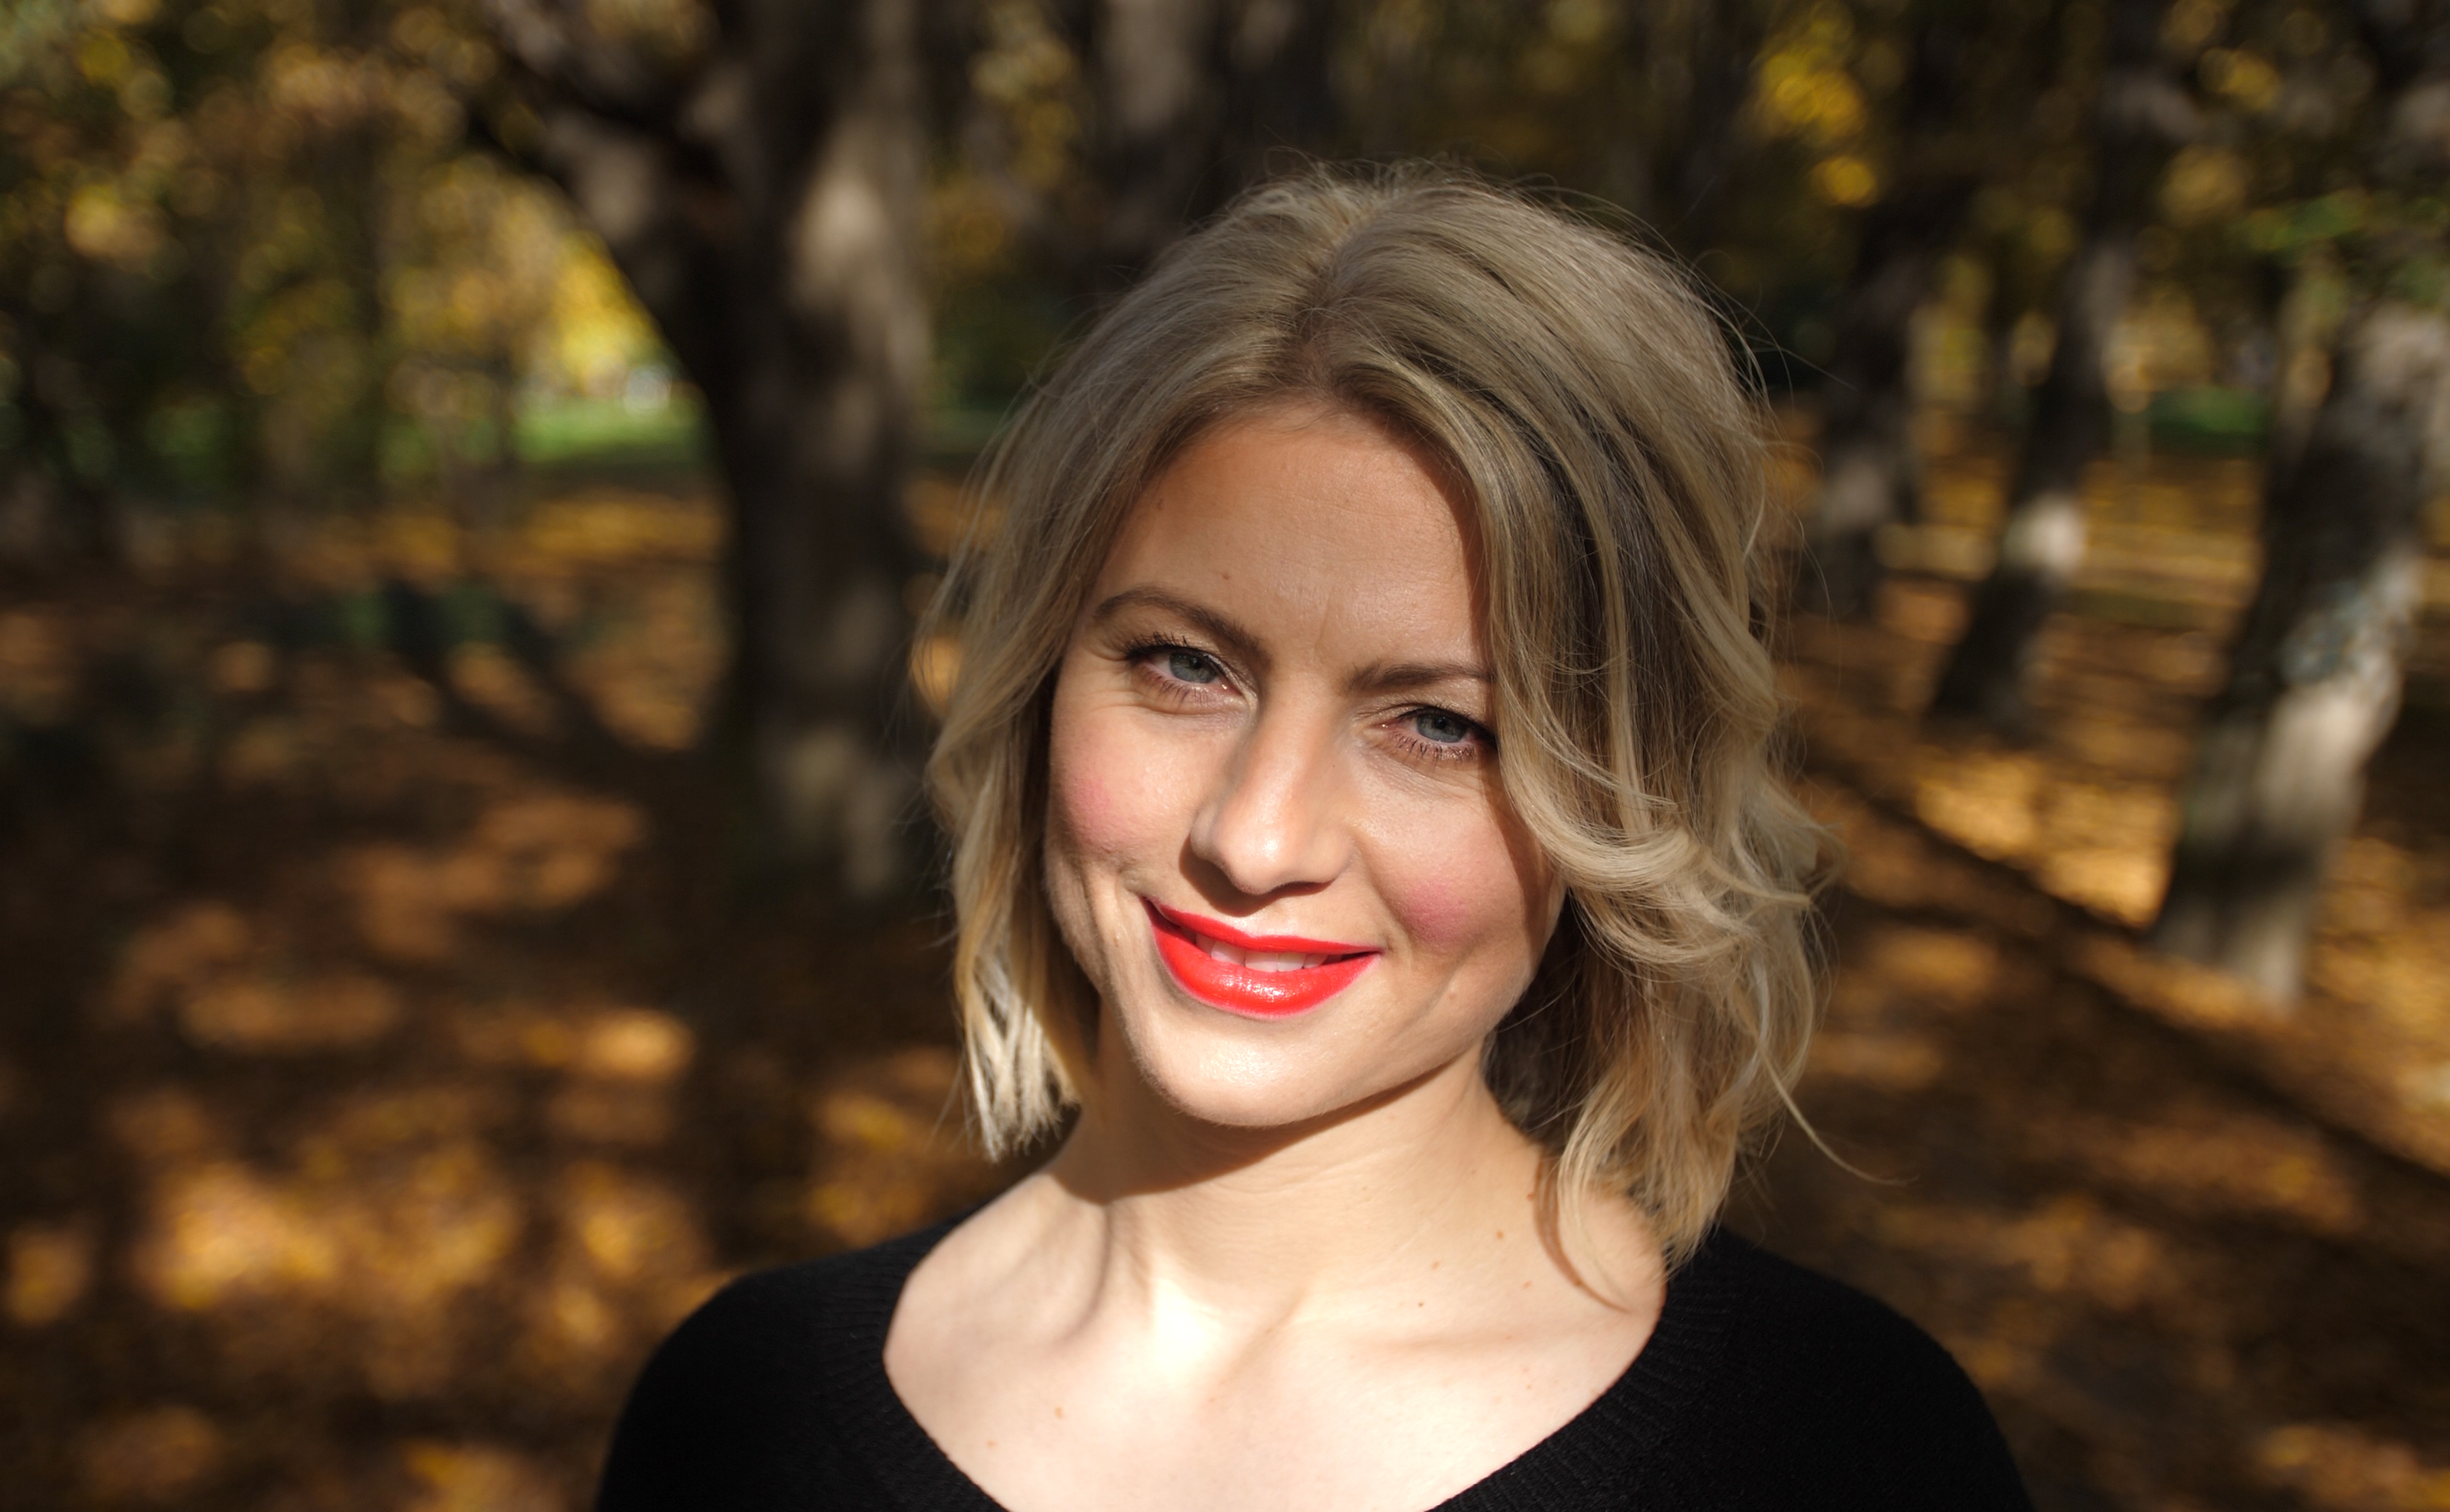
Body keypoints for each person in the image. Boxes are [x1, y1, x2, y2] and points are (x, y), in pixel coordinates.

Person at [596, 167, 2032, 1511]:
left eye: (1441, 727)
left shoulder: (1845, 1450)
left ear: (1623, 802)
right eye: (1185, 666)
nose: (1256, 836)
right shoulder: (737, 1417)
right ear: (1039, 678)